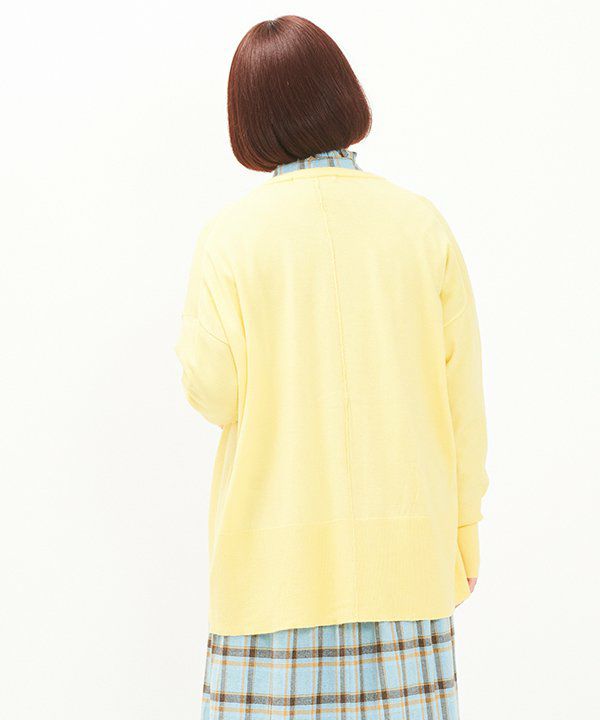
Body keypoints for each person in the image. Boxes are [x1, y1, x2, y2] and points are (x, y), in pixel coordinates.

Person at [176, 15, 489, 720]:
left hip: (271, 577)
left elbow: (214, 393)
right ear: (344, 95)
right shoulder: (420, 224)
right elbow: (463, 405)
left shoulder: (230, 239)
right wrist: (464, 536)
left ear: (249, 120)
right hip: (405, 566)